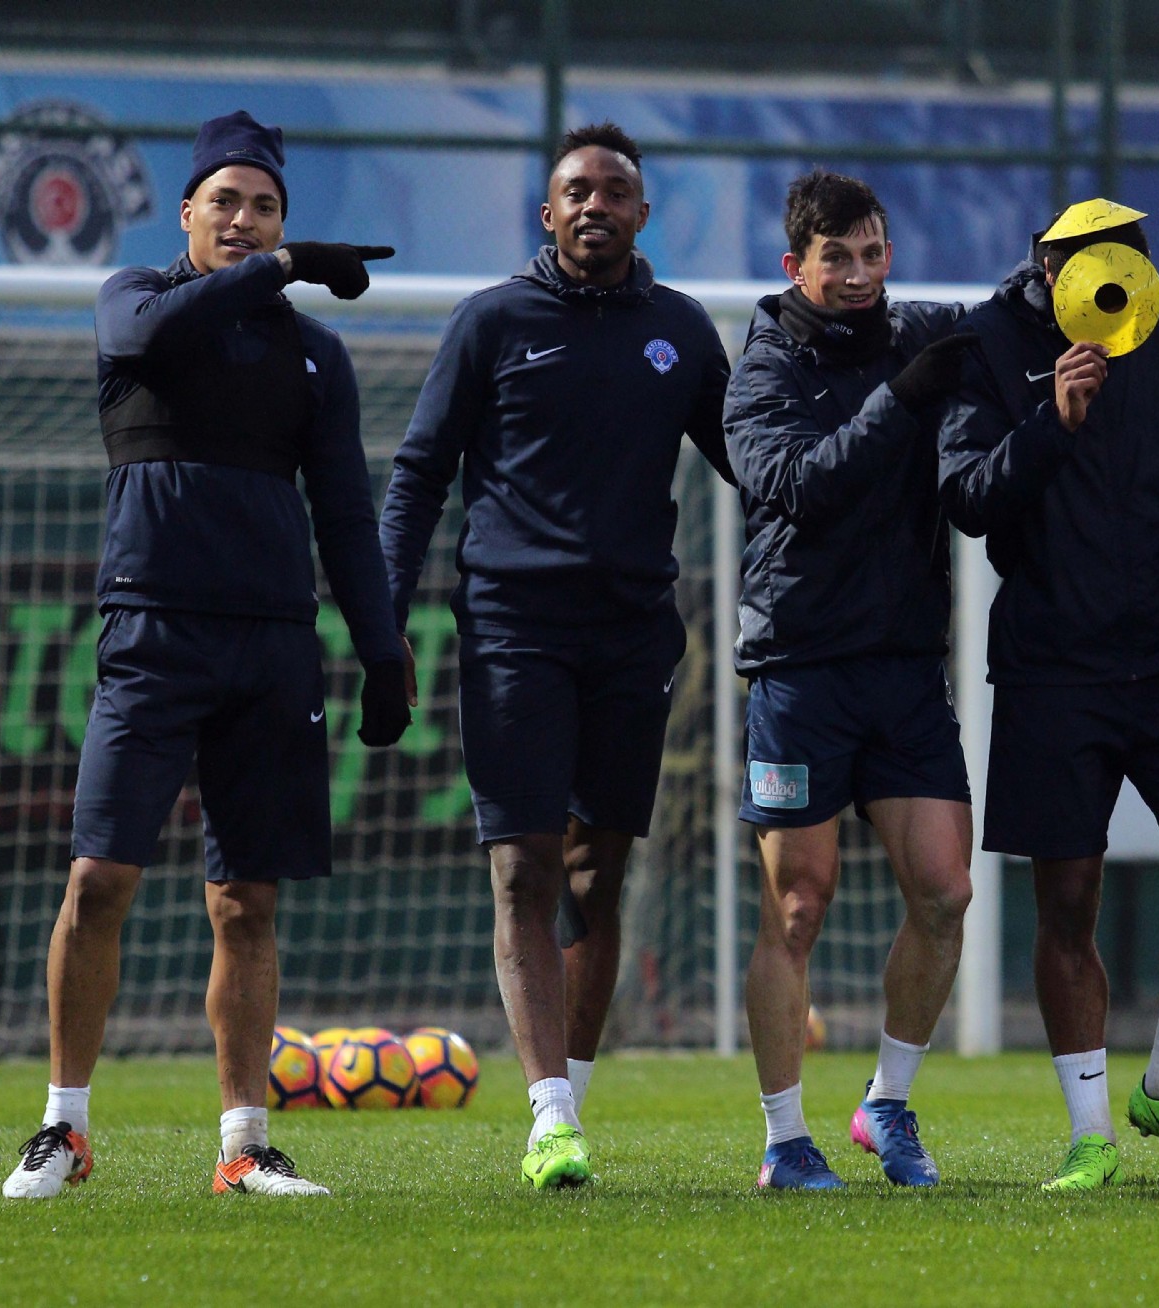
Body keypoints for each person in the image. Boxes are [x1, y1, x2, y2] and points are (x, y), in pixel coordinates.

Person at [2, 110, 411, 1201]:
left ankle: (243, 1146)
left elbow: (344, 513)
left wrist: (382, 652)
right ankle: (64, 1128)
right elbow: (147, 341)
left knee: (246, 902)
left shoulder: (315, 356)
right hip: (150, 637)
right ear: (185, 211)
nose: (244, 220)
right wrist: (280, 267)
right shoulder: (132, 300)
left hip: (272, 646)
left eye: (265, 207)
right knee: (99, 879)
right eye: (225, 202)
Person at [378, 121, 734, 1191]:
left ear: (641, 214)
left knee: (596, 871)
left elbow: (755, 463)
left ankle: (569, 1097)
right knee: (524, 865)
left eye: (615, 191)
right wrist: (382, 615)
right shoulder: (492, 321)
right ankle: (550, 1119)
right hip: (511, 628)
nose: (595, 205)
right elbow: (419, 474)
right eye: (577, 190)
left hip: (634, 632)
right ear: (548, 213)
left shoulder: (681, 331)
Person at [938, 198, 1159, 1191]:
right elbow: (968, 496)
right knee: (1068, 899)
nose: (1111, 278)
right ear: (1048, 270)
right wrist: (1054, 419)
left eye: (1129, 258)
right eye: (1085, 263)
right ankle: (1090, 1134)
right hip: (1053, 668)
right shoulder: (993, 342)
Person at [723, 170, 979, 1191]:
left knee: (947, 894)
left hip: (905, 668)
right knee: (798, 906)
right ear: (798, 265)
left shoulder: (919, 334)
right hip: (800, 669)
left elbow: (1013, 324)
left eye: (874, 254)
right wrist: (903, 396)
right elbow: (800, 484)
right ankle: (785, 1141)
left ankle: (887, 1103)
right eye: (839, 258)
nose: (861, 274)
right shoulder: (762, 368)